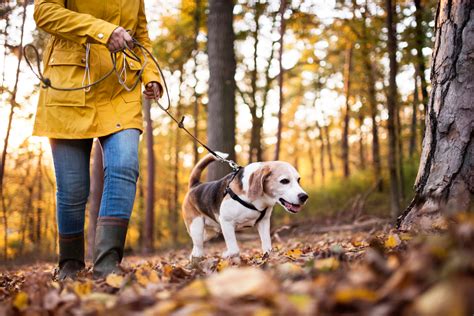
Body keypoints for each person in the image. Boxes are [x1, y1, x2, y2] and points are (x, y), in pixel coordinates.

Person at [32, 0, 163, 279]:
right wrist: (104, 31)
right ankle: (70, 264)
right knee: (73, 188)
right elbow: (44, 12)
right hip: (70, 83)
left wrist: (150, 75)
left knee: (124, 165)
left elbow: (140, 36)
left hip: (120, 87)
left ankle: (107, 264)